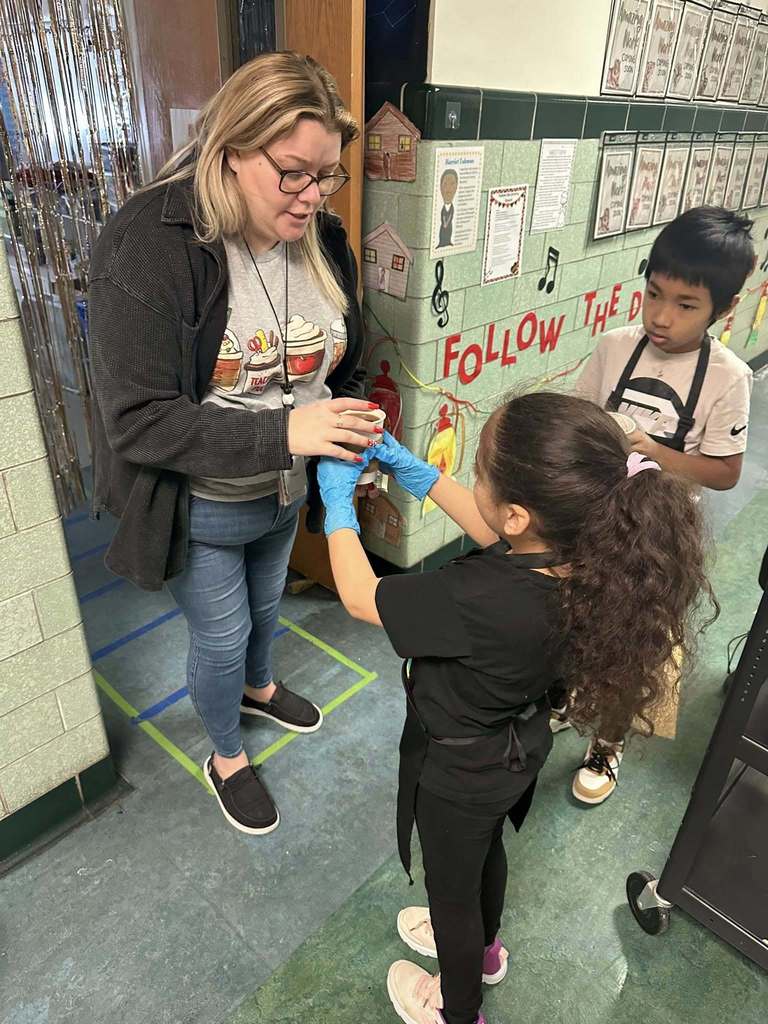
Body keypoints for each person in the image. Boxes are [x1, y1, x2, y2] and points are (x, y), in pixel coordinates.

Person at [316, 392, 713, 1024]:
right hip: (514, 752)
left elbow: (364, 598)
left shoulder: (477, 598)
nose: (471, 483)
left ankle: (458, 1004)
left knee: (450, 892)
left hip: (458, 770)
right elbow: (487, 528)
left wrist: (337, 505)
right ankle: (488, 952)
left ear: (521, 516)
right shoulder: (585, 560)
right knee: (486, 851)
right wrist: (406, 465)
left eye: (478, 474)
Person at [88, 51, 382, 835]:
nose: (314, 196)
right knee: (220, 636)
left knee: (264, 608)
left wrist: (347, 424)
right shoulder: (149, 245)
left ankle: (258, 690)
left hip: (283, 494)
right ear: (229, 148)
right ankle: (226, 755)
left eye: (328, 175)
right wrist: (289, 429)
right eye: (293, 173)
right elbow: (138, 418)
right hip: (202, 503)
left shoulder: (317, 234)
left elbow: (347, 359)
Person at [559, 205, 755, 805]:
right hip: (594, 517)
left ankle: (608, 742)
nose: (662, 318)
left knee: (634, 640)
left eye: (686, 305)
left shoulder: (729, 377)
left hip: (660, 535)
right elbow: (581, 420)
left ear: (723, 309)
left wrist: (651, 451)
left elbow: (724, 473)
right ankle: (570, 698)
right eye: (654, 295)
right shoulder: (615, 347)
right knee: (575, 620)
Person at [437, 169, 458, 247]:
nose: (448, 190)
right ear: (440, 187)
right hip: (443, 228)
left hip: (448, 227)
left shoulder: (452, 208)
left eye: (452, 184)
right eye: (445, 184)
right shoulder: (442, 208)